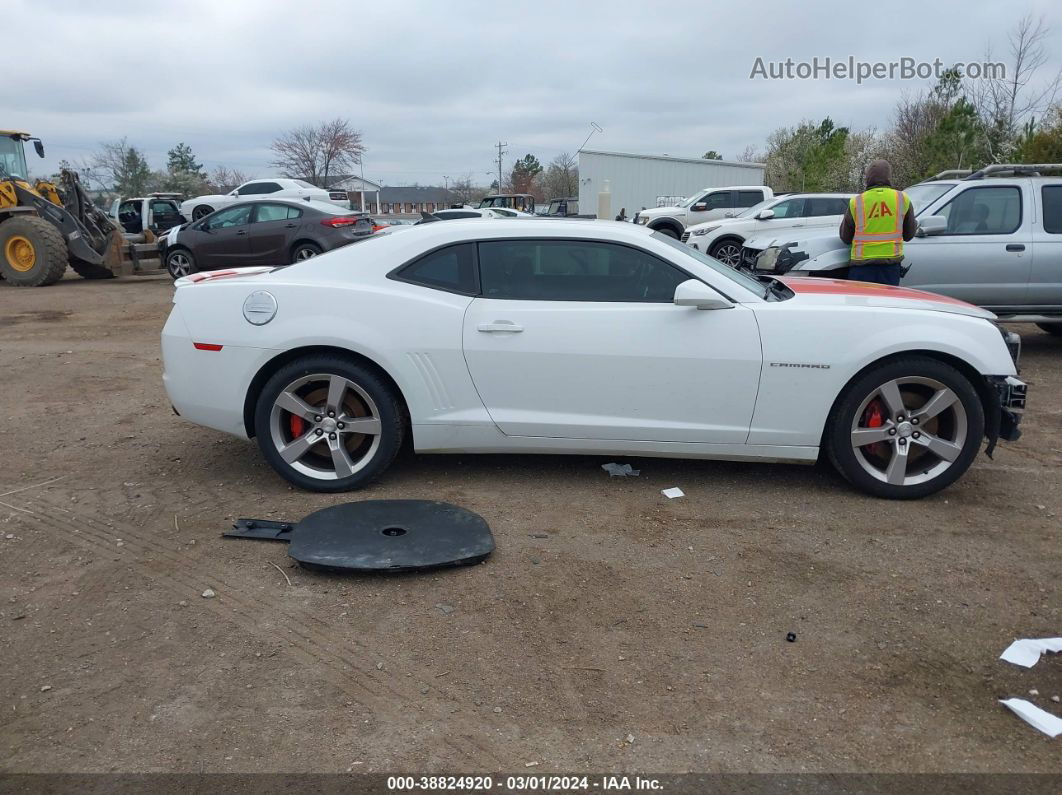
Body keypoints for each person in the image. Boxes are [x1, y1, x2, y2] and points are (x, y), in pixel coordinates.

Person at [839, 159, 917, 286]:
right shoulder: (902, 199)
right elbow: (909, 235)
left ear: (868, 177)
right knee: (886, 304)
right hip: (890, 268)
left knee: (861, 305)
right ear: (888, 177)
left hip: (861, 268)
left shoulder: (857, 202)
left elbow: (845, 237)